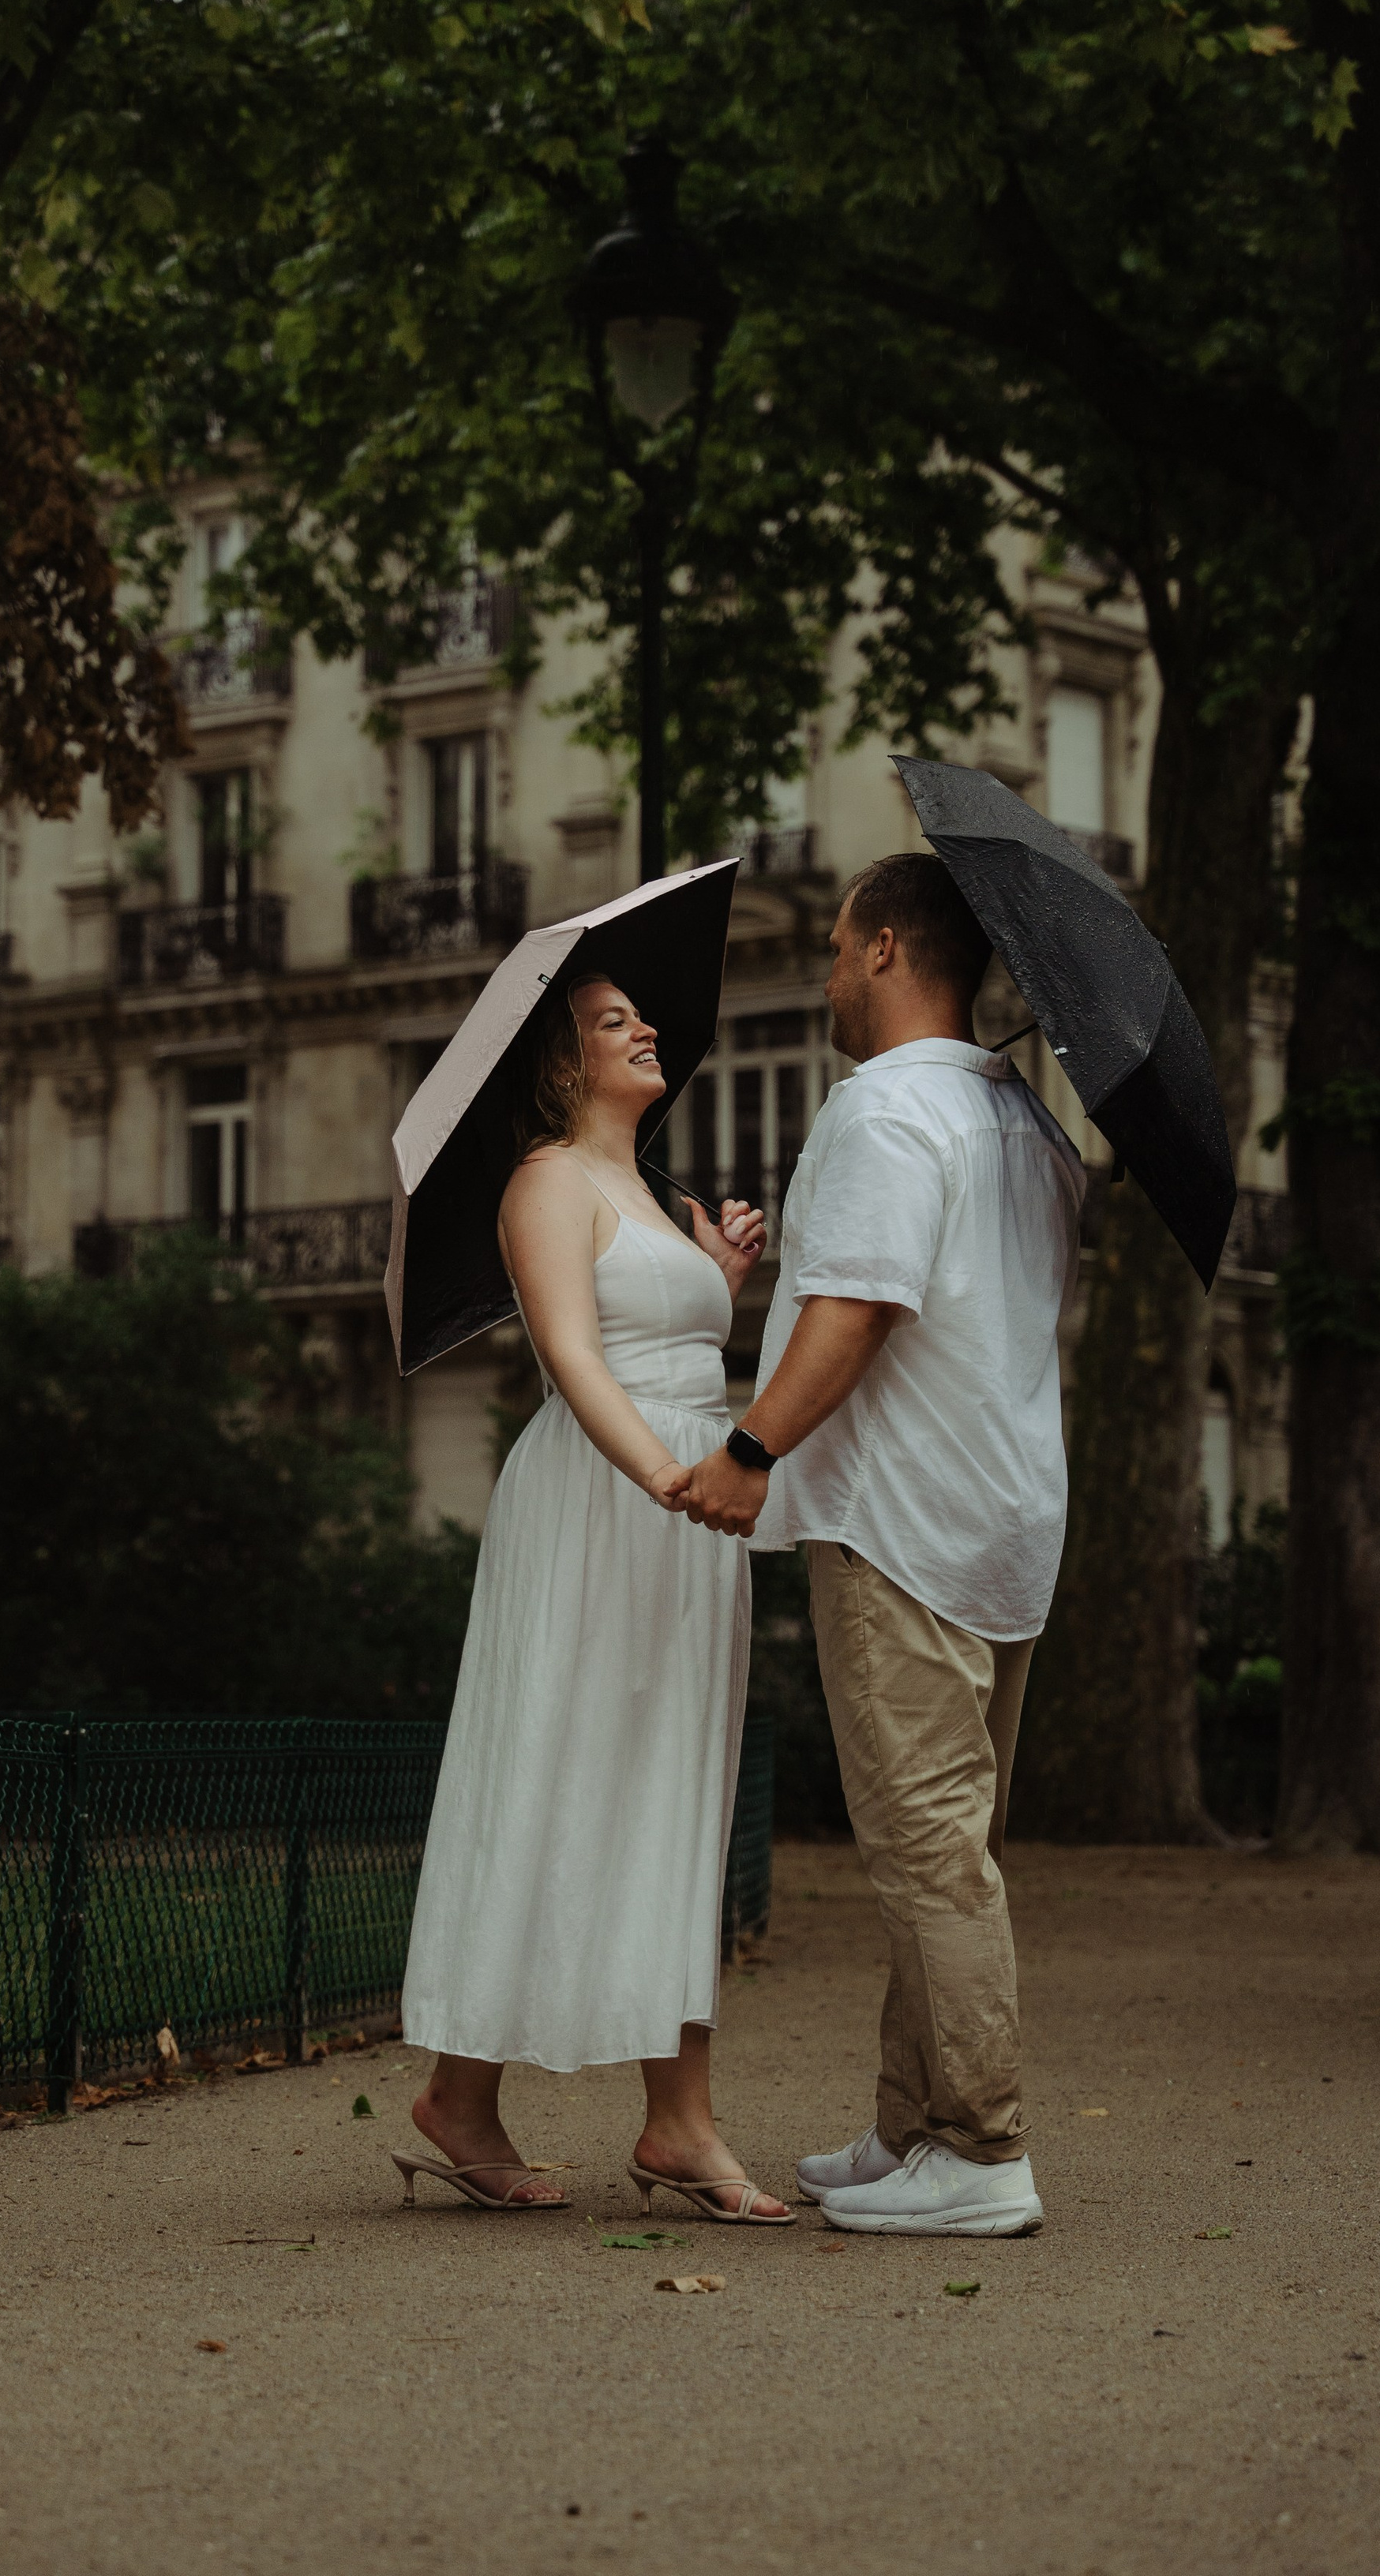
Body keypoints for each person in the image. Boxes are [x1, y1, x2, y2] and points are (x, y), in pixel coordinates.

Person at [671, 853, 1083, 2239]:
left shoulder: (885, 1110)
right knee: (953, 1845)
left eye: (841, 948)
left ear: (891, 946)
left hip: (902, 1524)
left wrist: (747, 1451)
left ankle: (979, 2147)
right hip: (1007, 1521)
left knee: (927, 1853)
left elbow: (854, 1307)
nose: (828, 973)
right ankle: (915, 2128)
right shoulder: (1025, 1120)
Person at [395, 972, 793, 2223]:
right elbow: (573, 1358)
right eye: (614, 1021)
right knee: (559, 1768)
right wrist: (667, 1472)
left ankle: (679, 2121)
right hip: (605, 1495)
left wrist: (717, 1271)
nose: (645, 1029)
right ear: (563, 1066)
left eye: (641, 1016)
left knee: (677, 1786)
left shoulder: (662, 1198)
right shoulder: (546, 1182)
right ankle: (460, 2096)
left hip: (687, 1501)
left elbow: (671, 1344)